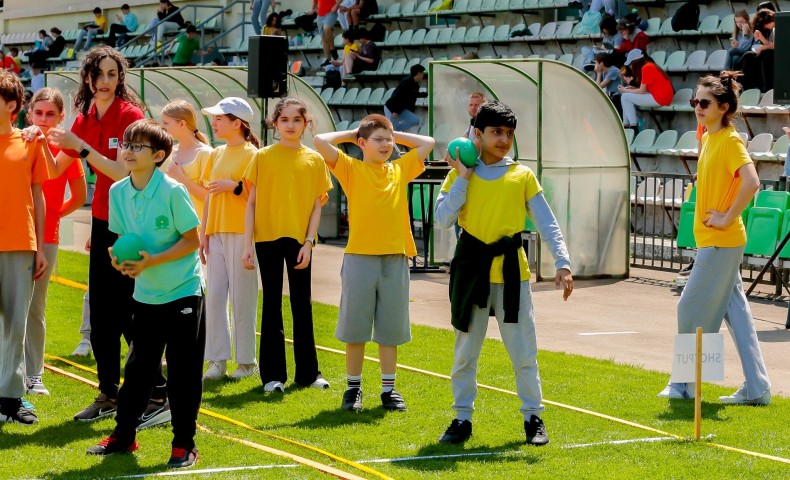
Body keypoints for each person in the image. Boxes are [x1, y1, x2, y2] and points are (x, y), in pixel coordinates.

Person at [434, 100, 573, 446]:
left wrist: (563, 262)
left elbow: (547, 222)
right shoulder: (458, 173)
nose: (503, 139)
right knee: (466, 352)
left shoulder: (522, 175)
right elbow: (442, 219)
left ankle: (533, 418)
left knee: (524, 352)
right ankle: (462, 419)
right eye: (496, 132)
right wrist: (464, 178)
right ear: (476, 135)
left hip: (512, 273)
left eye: (509, 133)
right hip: (471, 270)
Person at [45, 47, 169, 426]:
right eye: (98, 74)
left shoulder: (131, 118)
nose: (104, 81)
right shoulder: (83, 119)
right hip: (103, 222)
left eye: (112, 74)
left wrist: (81, 147)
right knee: (101, 314)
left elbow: (122, 172)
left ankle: (157, 392)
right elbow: (53, 170)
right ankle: (110, 393)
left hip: (133, 225)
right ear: (87, 78)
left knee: (131, 312)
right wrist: (34, 141)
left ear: (120, 78)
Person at [86, 119, 205, 469]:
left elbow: (192, 240)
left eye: (137, 146)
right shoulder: (117, 191)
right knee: (138, 370)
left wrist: (153, 260)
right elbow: (122, 242)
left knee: (183, 372)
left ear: (158, 155)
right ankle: (124, 437)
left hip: (183, 291)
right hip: (146, 295)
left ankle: (184, 444)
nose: (128, 151)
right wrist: (118, 259)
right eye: (127, 144)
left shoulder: (172, 191)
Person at [657, 72, 772, 405]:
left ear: (723, 107)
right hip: (716, 240)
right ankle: (758, 387)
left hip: (722, 241)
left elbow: (752, 183)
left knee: (690, 307)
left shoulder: (730, 140)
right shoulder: (708, 137)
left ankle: (684, 385)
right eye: (695, 101)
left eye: (704, 103)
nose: (697, 107)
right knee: (737, 315)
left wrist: (727, 215)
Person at [313, 115, 435, 412]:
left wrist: (392, 133)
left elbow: (428, 143)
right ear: (362, 144)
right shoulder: (352, 169)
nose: (386, 145)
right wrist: (356, 131)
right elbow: (320, 141)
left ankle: (388, 389)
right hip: (360, 258)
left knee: (389, 330)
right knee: (356, 329)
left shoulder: (399, 168)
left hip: (394, 257)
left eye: (388, 140)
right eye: (378, 140)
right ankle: (353, 388)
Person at [242, 97, 332, 393]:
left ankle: (308, 374)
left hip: (300, 241)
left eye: (297, 120)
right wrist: (246, 245)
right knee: (271, 305)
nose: (291, 125)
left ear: (307, 124)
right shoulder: (262, 156)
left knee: (301, 306)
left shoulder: (315, 159)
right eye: (285, 119)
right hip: (266, 239)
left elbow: (318, 206)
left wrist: (309, 241)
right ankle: (272, 376)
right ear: (275, 123)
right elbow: (251, 202)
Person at [24, 88, 87, 397]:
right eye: (39, 113)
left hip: (45, 238)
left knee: (35, 307)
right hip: (13, 234)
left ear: (62, 117)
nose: (44, 120)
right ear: (29, 114)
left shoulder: (66, 151)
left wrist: (53, 217)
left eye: (51, 114)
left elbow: (80, 195)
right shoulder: (16, 142)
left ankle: (34, 374)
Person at [199, 97, 261, 381]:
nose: (214, 123)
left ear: (237, 123)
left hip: (242, 234)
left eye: (219, 118)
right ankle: (217, 360)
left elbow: (258, 197)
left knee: (242, 298)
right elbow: (210, 196)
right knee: (214, 299)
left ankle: (247, 363)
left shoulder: (253, 154)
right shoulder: (215, 153)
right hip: (216, 234)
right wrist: (204, 232)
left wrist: (234, 187)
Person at [0, 70, 48, 426]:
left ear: (12, 105)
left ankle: (11, 399)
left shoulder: (31, 142)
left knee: (16, 325)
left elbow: (38, 195)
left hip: (21, 243)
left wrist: (41, 248)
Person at [160, 100, 212, 217]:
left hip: (198, 229)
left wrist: (180, 178)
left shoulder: (205, 153)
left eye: (166, 123)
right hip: (172, 227)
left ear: (182, 124)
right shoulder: (169, 152)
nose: (162, 127)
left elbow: (211, 197)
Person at [617, 49, 673, 129]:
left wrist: (625, 90)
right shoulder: (649, 65)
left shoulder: (646, 68)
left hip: (660, 98)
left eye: (631, 64)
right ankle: (625, 124)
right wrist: (631, 88)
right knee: (626, 94)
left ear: (636, 62)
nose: (630, 66)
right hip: (661, 96)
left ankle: (633, 126)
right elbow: (646, 89)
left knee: (625, 96)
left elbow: (641, 91)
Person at [738, 9, 775, 92]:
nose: (765, 27)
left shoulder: (777, 27)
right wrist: (761, 38)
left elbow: (776, 45)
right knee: (748, 55)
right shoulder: (768, 30)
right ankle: (746, 87)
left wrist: (762, 47)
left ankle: (766, 88)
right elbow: (766, 45)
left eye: (765, 24)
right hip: (769, 51)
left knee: (765, 54)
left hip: (776, 54)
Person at [384, 64, 428, 133]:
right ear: (419, 73)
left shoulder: (415, 84)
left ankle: (398, 130)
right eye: (422, 73)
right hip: (391, 108)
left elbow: (414, 94)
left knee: (415, 120)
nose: (423, 75)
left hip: (401, 109)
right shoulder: (406, 82)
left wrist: (428, 94)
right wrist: (395, 110)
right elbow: (397, 96)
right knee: (392, 129)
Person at [311, 0, 341, 67]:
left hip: (331, 12)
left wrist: (336, 5)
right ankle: (328, 60)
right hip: (320, 15)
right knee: (323, 38)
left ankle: (333, 48)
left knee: (327, 28)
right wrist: (312, 9)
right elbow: (315, 2)